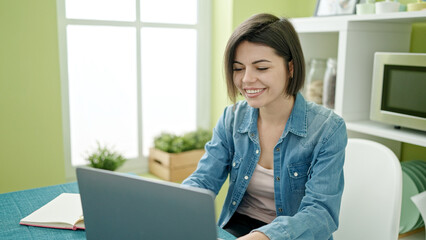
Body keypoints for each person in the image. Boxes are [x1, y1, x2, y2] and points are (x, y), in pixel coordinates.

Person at [182, 13, 347, 240]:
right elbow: (203, 180)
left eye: (261, 68)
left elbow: (320, 213)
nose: (246, 79)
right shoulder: (232, 119)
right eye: (238, 68)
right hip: (238, 228)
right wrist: (176, 205)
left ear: (290, 68)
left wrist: (263, 237)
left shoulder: (328, 129)